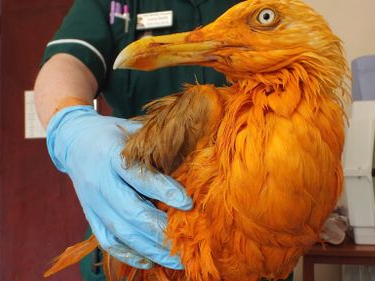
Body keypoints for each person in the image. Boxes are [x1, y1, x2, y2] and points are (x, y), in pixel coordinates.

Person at [34, 1, 293, 280]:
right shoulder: (109, 4)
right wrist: (71, 125)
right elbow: (67, 60)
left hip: (255, 239)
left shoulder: (265, 6)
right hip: (137, 229)